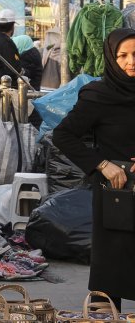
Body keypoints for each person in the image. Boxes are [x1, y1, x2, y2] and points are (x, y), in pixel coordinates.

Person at [52, 28, 135, 308]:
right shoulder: (98, 95)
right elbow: (63, 135)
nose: (130, 61)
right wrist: (102, 165)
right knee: (110, 271)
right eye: (122, 55)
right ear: (111, 58)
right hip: (116, 193)